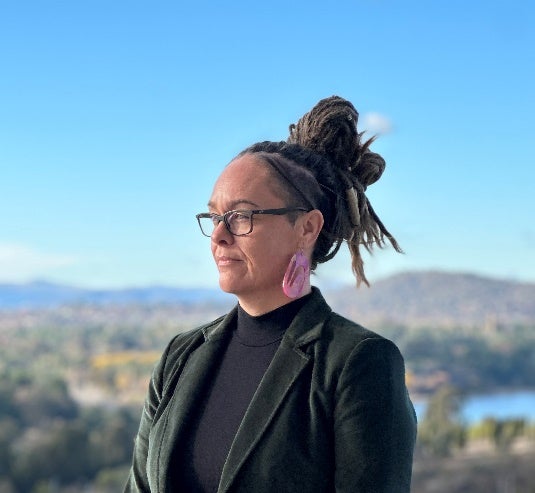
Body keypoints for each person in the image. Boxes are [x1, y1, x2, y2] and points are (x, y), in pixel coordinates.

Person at [125, 96, 417, 492]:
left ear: (307, 228)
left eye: (241, 216)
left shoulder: (357, 363)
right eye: (214, 217)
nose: (218, 236)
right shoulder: (181, 355)